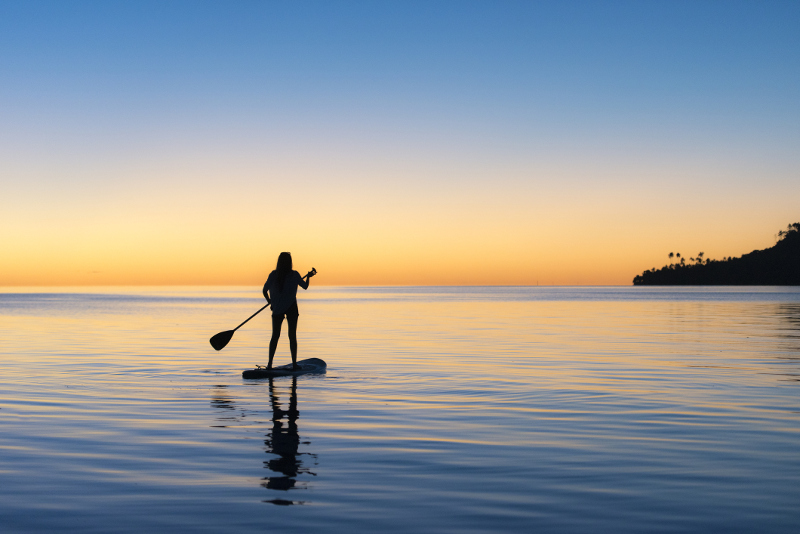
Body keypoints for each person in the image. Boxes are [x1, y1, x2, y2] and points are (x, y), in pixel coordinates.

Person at [262, 252, 315, 370]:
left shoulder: (273, 275)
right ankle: (294, 364)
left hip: (277, 309)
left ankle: (269, 364)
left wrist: (270, 302)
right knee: (292, 336)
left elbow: (264, 291)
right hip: (291, 308)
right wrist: (308, 278)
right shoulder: (294, 275)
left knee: (275, 336)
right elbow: (305, 287)